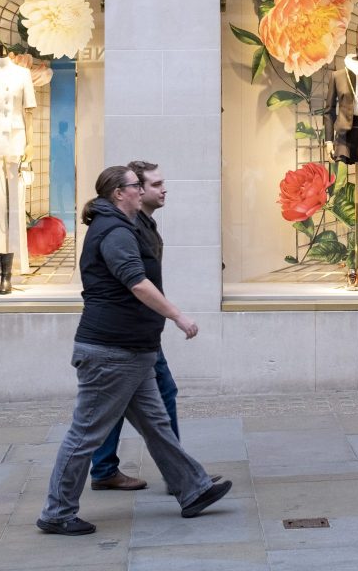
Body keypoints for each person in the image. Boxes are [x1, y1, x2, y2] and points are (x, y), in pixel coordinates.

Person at [38, 166, 232, 535]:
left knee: (157, 426)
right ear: (119, 193)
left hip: (131, 351)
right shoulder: (113, 232)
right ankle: (57, 511)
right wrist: (178, 316)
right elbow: (137, 284)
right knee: (85, 434)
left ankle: (193, 489)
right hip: (111, 351)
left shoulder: (125, 226)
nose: (142, 191)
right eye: (136, 186)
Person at [88, 160, 179, 492]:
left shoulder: (143, 225)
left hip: (139, 331)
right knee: (156, 395)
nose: (160, 189)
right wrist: (177, 315)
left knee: (116, 402)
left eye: (158, 183)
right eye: (152, 185)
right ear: (128, 192)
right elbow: (135, 282)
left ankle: (104, 469)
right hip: (129, 334)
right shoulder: (124, 229)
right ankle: (179, 475)